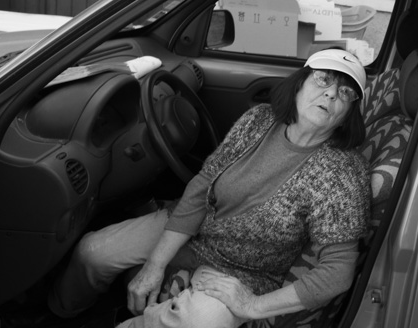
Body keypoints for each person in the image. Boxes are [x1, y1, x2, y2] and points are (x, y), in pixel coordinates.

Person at [48, 49, 371, 326]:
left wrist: (252, 305)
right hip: (196, 228)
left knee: (201, 320)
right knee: (93, 253)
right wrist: (155, 265)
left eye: (346, 92)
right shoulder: (260, 119)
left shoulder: (343, 171)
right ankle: (60, 315)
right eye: (323, 79)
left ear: (346, 116)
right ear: (299, 84)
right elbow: (204, 185)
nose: (331, 93)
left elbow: (337, 273)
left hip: (244, 269)